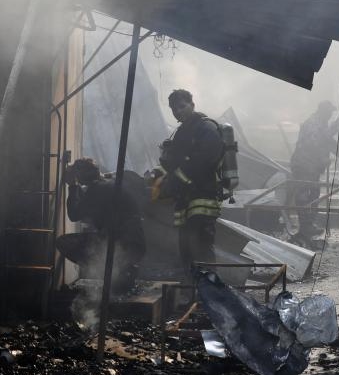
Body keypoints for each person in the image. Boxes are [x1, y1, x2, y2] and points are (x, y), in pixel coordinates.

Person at [158, 89, 224, 276]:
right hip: (186, 199)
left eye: (182, 106)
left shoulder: (206, 128)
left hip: (203, 197)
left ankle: (210, 292)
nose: (178, 111)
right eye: (173, 108)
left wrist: (178, 172)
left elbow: (205, 161)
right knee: (186, 249)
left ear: (192, 105)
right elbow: (175, 164)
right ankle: (192, 292)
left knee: (202, 247)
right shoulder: (180, 133)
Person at [59, 158, 146, 294]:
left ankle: (104, 270)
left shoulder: (96, 191)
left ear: (81, 177)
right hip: (136, 242)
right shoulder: (109, 185)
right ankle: (124, 273)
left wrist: (72, 185)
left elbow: (74, 215)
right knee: (121, 288)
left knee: (64, 242)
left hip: (119, 244)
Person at [289, 100, 338, 241]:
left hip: (312, 166)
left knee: (314, 194)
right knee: (304, 195)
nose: (330, 115)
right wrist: (324, 159)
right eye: (329, 113)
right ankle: (304, 227)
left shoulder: (321, 123)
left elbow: (328, 141)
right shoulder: (313, 124)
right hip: (304, 165)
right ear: (323, 112)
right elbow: (313, 145)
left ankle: (309, 225)